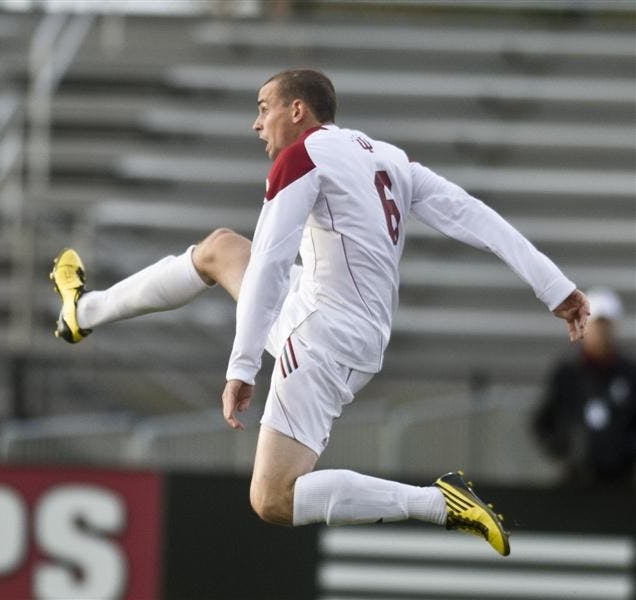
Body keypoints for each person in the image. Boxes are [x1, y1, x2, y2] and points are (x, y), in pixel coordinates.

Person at [49, 69, 590, 557]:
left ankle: (438, 503)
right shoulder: (388, 157)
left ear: (297, 110)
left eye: (264, 107)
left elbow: (270, 264)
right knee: (218, 249)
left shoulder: (301, 157)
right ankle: (83, 312)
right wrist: (556, 287)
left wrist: (242, 366)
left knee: (273, 498)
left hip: (319, 339)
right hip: (341, 324)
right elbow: (475, 216)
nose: (256, 124)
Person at [532, 287, 635, 487]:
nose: (602, 333)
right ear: (586, 326)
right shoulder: (567, 372)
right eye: (597, 325)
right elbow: (543, 421)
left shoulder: (629, 373)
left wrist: (625, 450)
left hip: (621, 482)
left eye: (607, 326)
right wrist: (566, 448)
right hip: (574, 479)